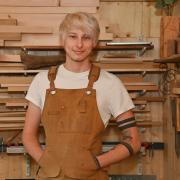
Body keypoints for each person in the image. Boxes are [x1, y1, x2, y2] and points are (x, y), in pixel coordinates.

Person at [22, 12, 141, 180]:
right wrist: (45, 161)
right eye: (73, 36)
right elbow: (28, 135)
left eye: (86, 37)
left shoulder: (109, 84)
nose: (79, 44)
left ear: (94, 43)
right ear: (63, 40)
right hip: (49, 176)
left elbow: (134, 141)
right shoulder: (42, 81)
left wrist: (97, 162)